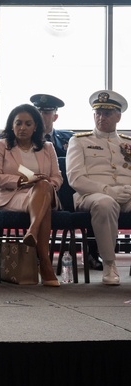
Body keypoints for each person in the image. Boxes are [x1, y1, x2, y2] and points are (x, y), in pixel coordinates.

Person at [0, 103, 63, 287]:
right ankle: (45, 264)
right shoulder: (1, 145)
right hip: (12, 195)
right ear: (11, 125)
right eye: (18, 123)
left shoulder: (47, 147)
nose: (22, 128)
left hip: (44, 192)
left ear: (35, 126)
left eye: (28, 124)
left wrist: (45, 182)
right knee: (43, 205)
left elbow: (58, 178)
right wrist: (23, 181)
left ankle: (32, 231)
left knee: (44, 187)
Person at [66, 90, 131, 286]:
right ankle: (109, 264)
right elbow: (75, 178)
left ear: (118, 116)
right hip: (91, 195)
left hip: (126, 193)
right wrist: (108, 190)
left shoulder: (128, 143)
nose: (101, 117)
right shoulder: (79, 141)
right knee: (105, 203)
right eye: (98, 113)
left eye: (107, 113)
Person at [31, 93, 103, 269]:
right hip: (38, 192)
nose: (41, 116)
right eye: (38, 111)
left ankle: (92, 254)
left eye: (46, 112)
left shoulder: (70, 139)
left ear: (55, 116)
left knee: (96, 202)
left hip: (68, 192)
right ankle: (36, 254)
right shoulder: (23, 140)